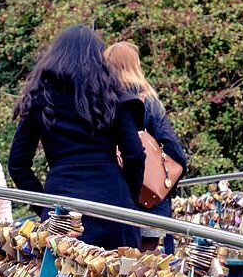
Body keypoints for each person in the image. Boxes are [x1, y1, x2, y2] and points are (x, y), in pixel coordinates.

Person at [8, 25, 145, 250]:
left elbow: (17, 165)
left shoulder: (39, 100)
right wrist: (129, 196)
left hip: (60, 204)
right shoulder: (114, 96)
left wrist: (44, 204)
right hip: (113, 201)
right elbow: (135, 155)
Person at [103, 41, 188, 253]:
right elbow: (174, 149)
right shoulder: (147, 101)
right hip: (148, 200)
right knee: (143, 270)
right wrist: (166, 187)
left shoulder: (100, 102)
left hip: (110, 198)